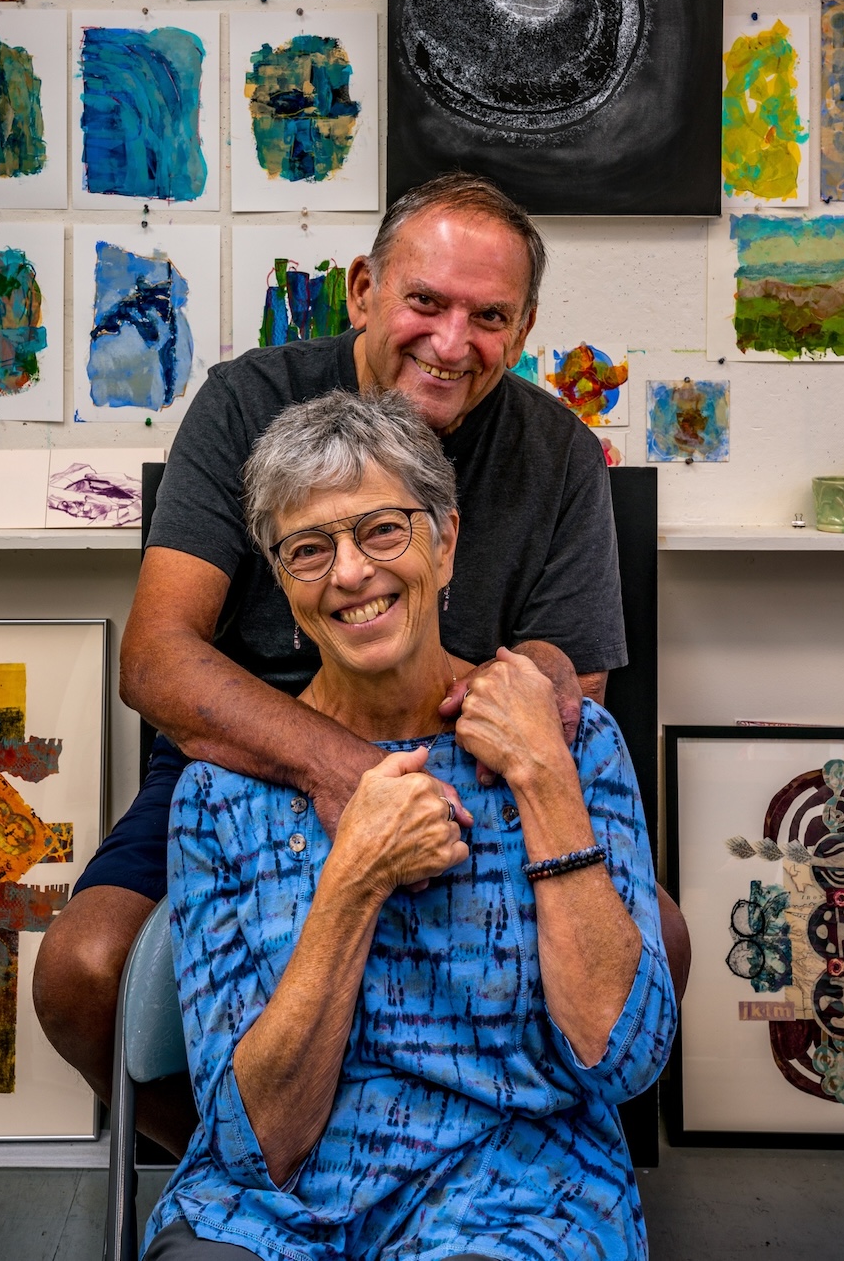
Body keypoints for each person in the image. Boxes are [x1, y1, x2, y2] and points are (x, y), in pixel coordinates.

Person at [34, 173, 684, 1157]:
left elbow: (569, 672)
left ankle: (476, 1158)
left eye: (489, 316)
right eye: (426, 301)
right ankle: (249, 1161)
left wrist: (508, 698)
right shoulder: (243, 401)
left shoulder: (556, 448)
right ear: (364, 290)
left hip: (461, 763)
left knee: (659, 944)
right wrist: (341, 769)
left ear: (525, 324)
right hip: (245, 756)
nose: (452, 341)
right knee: (83, 970)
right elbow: (159, 656)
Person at [142, 389, 676, 1261]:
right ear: (283, 582)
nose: (349, 572)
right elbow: (255, 1145)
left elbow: (625, 1060)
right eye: (308, 549)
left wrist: (541, 778)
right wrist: (353, 879)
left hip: (519, 1189)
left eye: (383, 530)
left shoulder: (572, 747)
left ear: (448, 541)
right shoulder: (218, 798)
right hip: (283, 1206)